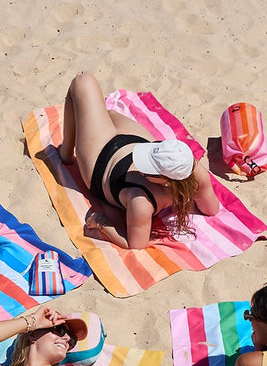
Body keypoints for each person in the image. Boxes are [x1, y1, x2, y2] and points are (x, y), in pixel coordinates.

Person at [58, 72, 221, 249]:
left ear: (165, 181)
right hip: (133, 140)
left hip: (101, 157)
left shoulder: (141, 201)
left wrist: (101, 224)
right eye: (152, 152)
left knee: (82, 82)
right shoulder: (194, 170)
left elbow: (135, 244)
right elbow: (211, 209)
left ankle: (66, 153)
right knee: (107, 114)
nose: (141, 169)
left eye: (147, 168)